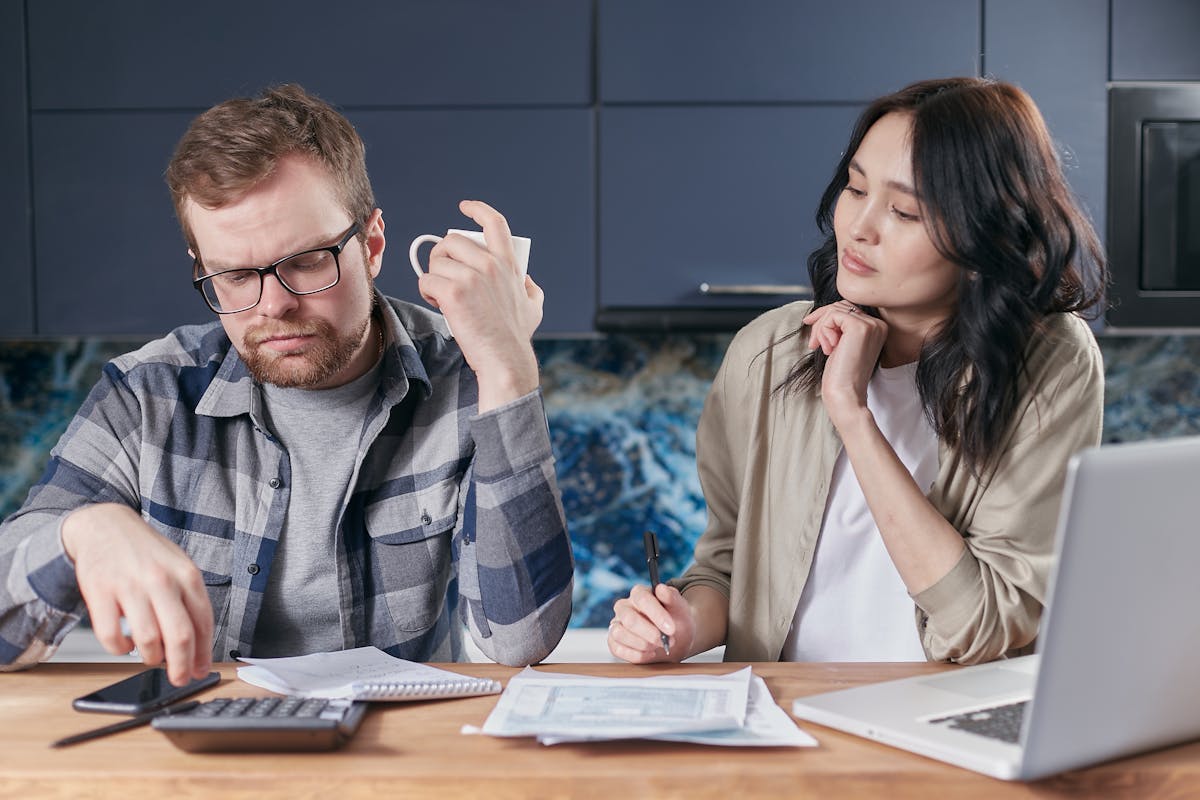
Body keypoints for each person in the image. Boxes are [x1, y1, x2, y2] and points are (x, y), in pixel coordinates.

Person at [0, 84, 574, 685]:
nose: (273, 305)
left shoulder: (467, 375)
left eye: (306, 261)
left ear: (372, 246)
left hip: (401, 755)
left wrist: (508, 366)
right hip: (204, 762)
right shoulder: (147, 394)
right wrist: (81, 534)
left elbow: (521, 639)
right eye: (234, 275)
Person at [608, 77, 1107, 666]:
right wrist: (685, 624)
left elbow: (987, 624)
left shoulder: (1049, 364)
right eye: (855, 187)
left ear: (984, 239)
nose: (858, 227)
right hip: (787, 721)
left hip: (946, 731)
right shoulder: (770, 350)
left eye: (903, 211)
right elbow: (727, 565)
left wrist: (851, 411)